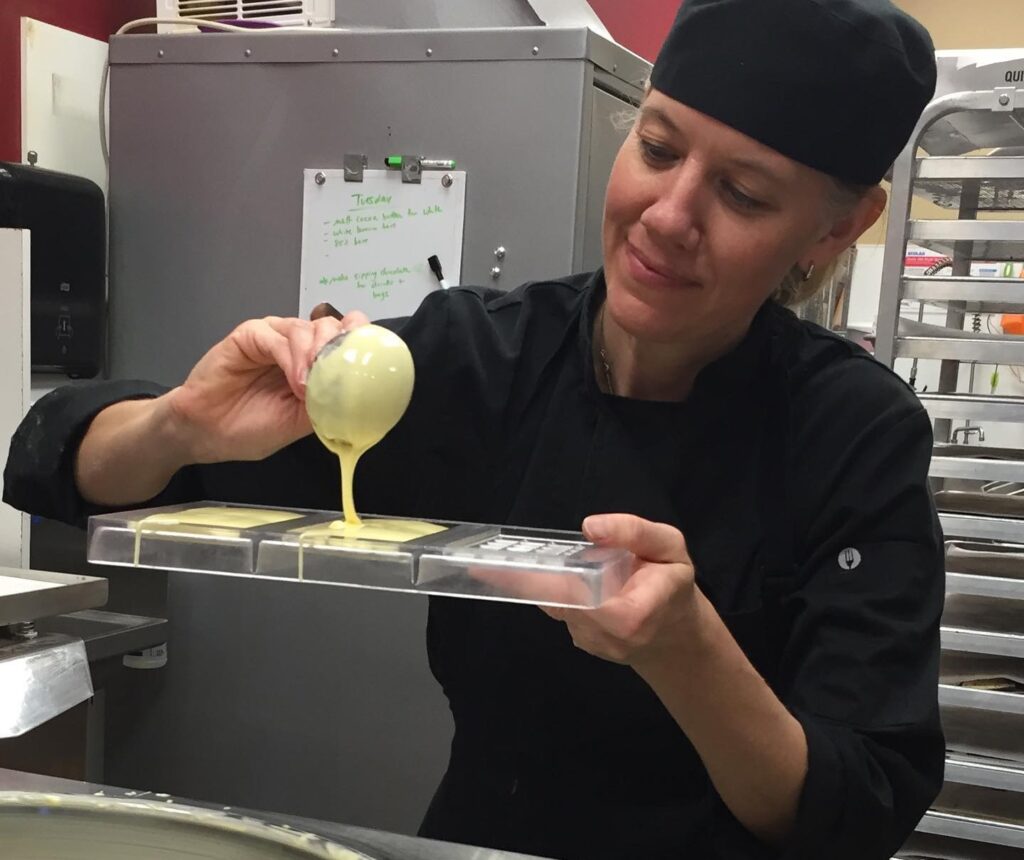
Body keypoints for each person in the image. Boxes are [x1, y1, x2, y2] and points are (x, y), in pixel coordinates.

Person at [5, 0, 944, 857]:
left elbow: (855, 810)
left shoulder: (853, 434)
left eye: (743, 195)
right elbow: (60, 469)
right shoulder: (476, 362)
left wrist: (688, 653)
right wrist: (181, 427)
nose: (668, 217)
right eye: (658, 149)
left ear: (834, 230)